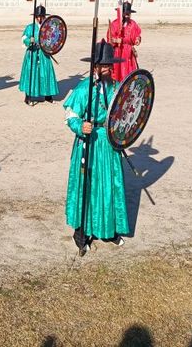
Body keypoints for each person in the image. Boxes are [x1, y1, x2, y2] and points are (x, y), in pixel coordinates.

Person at [64, 41, 129, 254]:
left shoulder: (116, 87)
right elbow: (70, 116)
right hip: (89, 142)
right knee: (87, 185)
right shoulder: (84, 89)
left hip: (109, 143)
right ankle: (81, 232)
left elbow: (124, 114)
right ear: (95, 67)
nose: (108, 69)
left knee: (109, 184)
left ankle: (108, 229)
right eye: (103, 65)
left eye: (109, 65)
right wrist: (80, 126)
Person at [19, 5, 58, 105]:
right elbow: (23, 39)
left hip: (44, 53)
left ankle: (48, 96)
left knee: (46, 73)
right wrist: (29, 40)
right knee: (31, 74)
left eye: (42, 16)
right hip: (32, 53)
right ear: (35, 16)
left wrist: (50, 46)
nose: (40, 18)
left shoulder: (48, 28)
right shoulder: (30, 27)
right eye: (38, 16)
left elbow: (53, 40)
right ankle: (28, 97)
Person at [108, 0, 141, 82]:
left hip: (129, 52)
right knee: (117, 71)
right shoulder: (115, 24)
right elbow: (110, 39)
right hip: (118, 51)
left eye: (128, 14)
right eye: (125, 13)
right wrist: (115, 40)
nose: (127, 16)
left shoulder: (133, 23)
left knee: (129, 72)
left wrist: (137, 39)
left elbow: (137, 34)